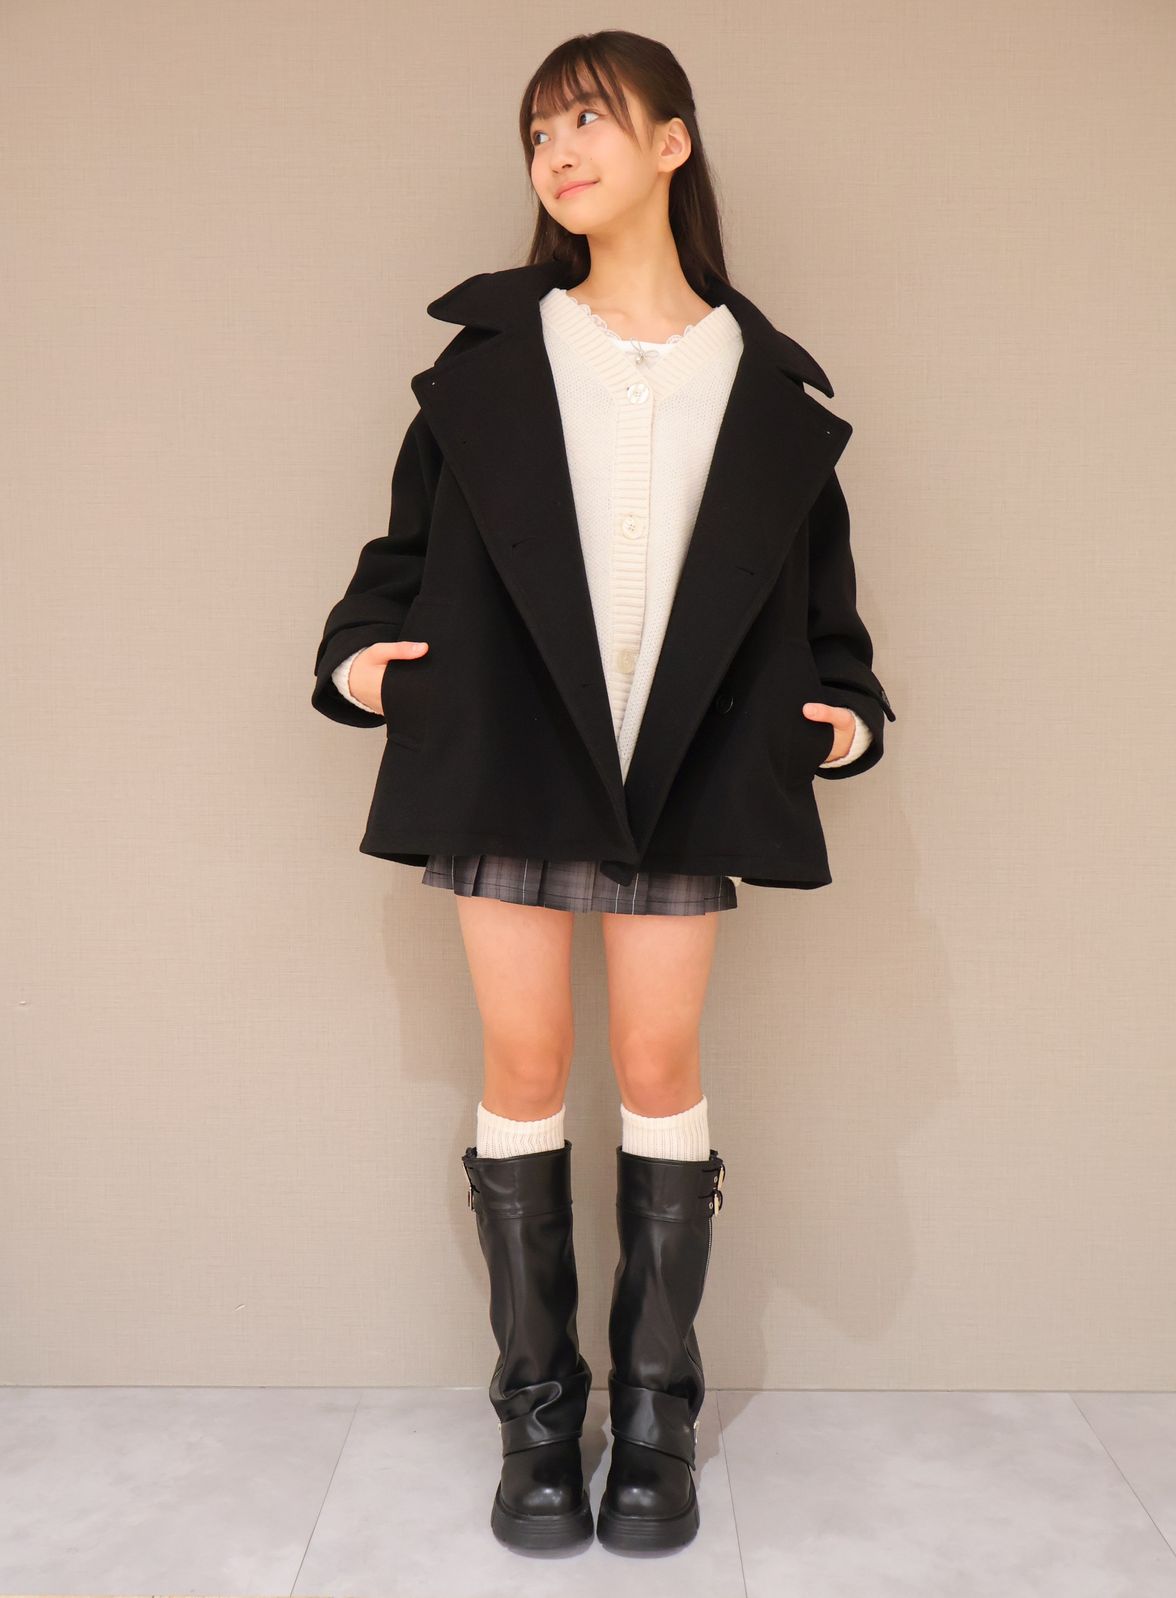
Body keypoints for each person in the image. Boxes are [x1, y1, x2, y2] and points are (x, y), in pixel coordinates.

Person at [311, 29, 896, 1557]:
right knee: (522, 1059)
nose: (556, 153)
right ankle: (536, 1422)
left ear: (672, 140)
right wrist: (368, 659)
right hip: (512, 743)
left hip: (680, 761)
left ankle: (654, 1418)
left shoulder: (760, 381)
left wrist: (841, 709)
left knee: (656, 1058)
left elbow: (823, 607)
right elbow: (397, 562)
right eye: (536, 132)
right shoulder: (494, 359)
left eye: (586, 119)